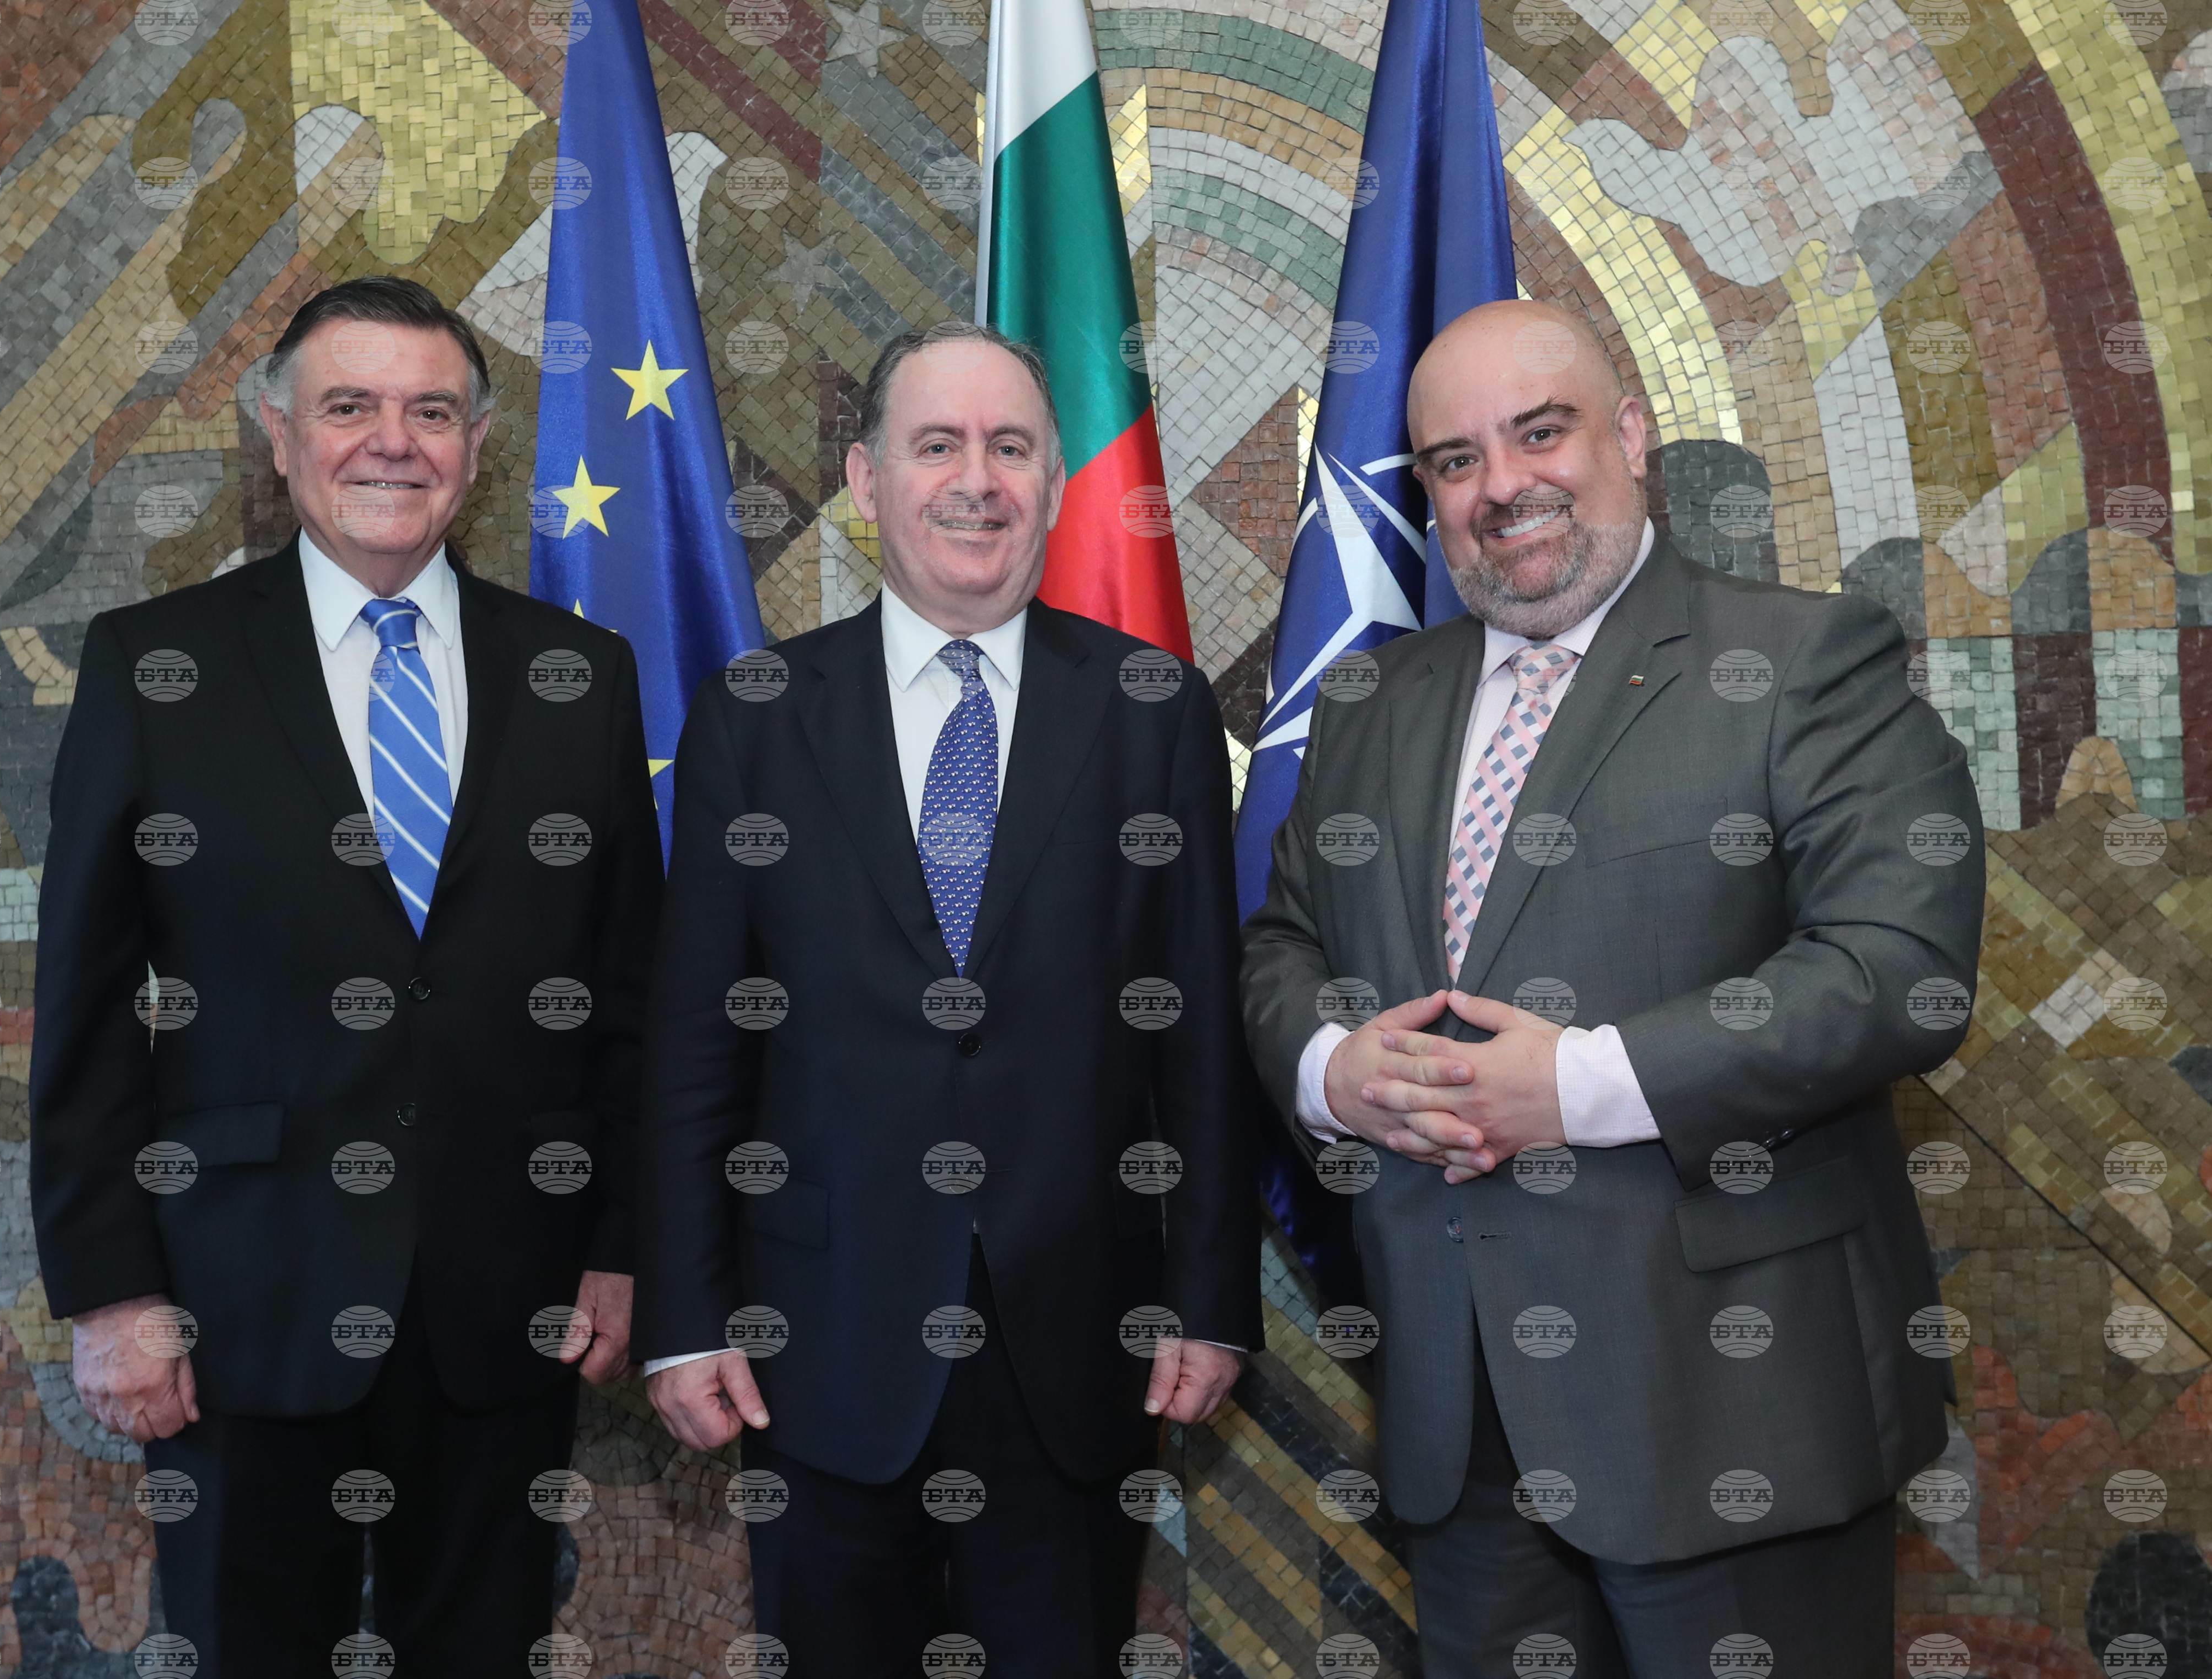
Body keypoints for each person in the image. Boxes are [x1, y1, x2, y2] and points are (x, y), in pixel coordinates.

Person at [1240, 299, 1984, 1670]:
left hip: (1735, 1412)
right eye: (1455, 459)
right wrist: (1334, 1068)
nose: (1502, 483)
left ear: (1632, 436)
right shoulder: (1370, 705)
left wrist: (1576, 1084)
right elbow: (1284, 941)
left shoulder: (1804, 659)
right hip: (1460, 1422)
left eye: (1542, 432)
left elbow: (1898, 969)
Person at [28, 276, 659, 1674]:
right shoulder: (157, 667)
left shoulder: (581, 676)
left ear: (476, 446)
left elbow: (628, 1000)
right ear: (280, 431)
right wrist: (113, 1291)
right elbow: (84, 1007)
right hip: (238, 1300)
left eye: (430, 411)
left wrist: (622, 1243)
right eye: (350, 406)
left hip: (508, 1303)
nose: (392, 441)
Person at [637, 320, 1261, 1675]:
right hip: (817, 1347)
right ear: (867, 480)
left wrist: (1211, 1291)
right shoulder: (756, 714)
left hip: (1081, 1342)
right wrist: (683, 1314)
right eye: (937, 445)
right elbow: (695, 1049)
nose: (976, 479)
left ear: (1054, 481)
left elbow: (1202, 1037)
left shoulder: (1152, 710)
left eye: (1010, 446)